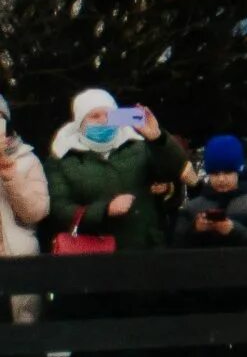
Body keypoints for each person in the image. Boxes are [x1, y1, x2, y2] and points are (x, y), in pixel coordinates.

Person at [41, 89, 188, 251]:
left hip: (145, 250)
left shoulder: (139, 145)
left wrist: (158, 139)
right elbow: (58, 209)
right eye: (94, 116)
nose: (104, 121)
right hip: (93, 254)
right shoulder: (61, 157)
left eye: (109, 115)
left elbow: (175, 171)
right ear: (79, 123)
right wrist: (104, 210)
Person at [0, 92, 52, 328]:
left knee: (23, 342)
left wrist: (11, 175)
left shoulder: (26, 160)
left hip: (16, 262)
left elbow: (36, 212)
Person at [174, 134, 247, 247]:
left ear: (238, 171)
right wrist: (195, 230)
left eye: (227, 172)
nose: (221, 179)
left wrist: (235, 230)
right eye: (215, 173)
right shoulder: (192, 208)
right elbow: (175, 245)